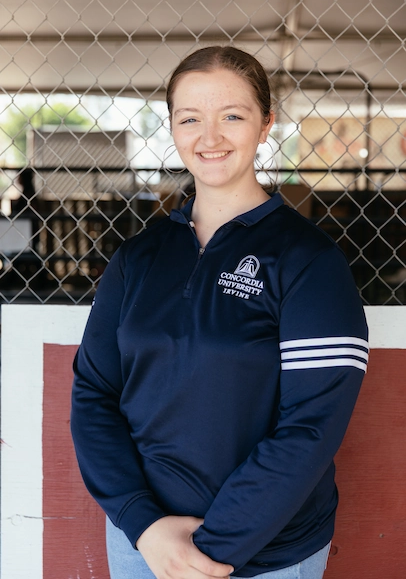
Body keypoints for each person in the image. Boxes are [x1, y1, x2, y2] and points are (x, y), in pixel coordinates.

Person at [71, 46, 369, 579]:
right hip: (144, 545)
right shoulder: (138, 257)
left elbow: (310, 427)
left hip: (265, 555)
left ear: (265, 125)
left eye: (232, 116)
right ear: (173, 128)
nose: (210, 138)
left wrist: (209, 550)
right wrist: (143, 525)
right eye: (191, 119)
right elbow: (94, 395)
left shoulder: (309, 261)